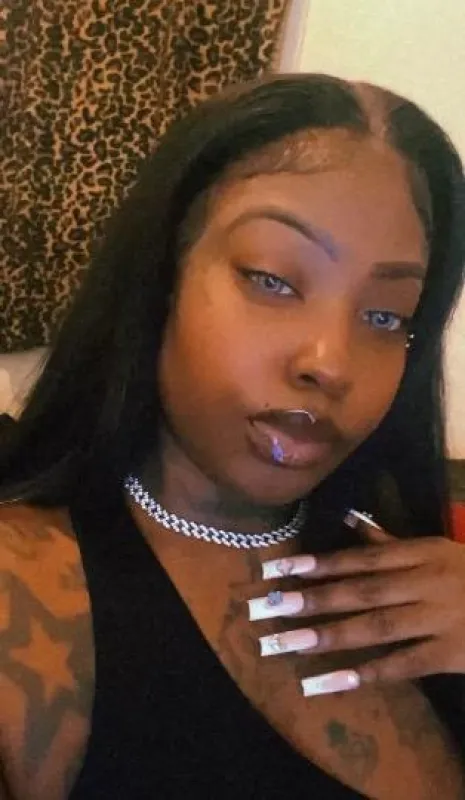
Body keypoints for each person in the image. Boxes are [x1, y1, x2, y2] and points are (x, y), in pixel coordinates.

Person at [1, 74, 465, 800]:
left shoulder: (420, 579)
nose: (330, 363)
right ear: (161, 278)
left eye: (385, 315)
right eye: (271, 279)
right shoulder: (26, 597)